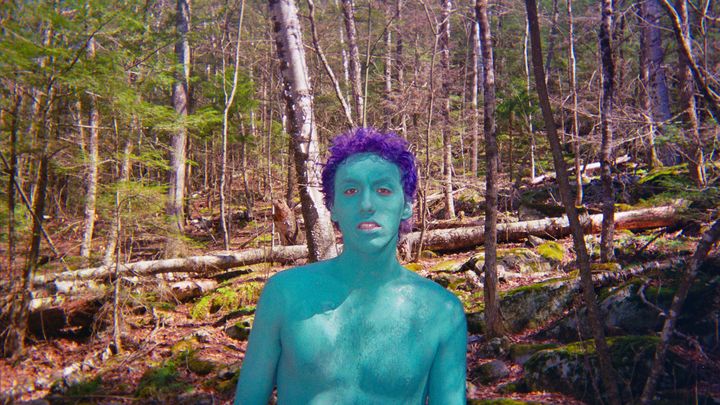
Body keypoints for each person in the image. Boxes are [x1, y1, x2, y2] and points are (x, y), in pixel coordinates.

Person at [234, 128, 467, 405]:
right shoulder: (284, 294)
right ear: (333, 207)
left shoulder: (443, 312)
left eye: (383, 190)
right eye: (351, 190)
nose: (366, 204)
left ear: (406, 206)